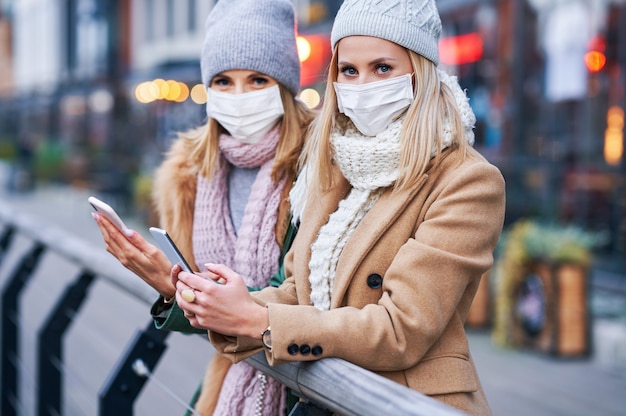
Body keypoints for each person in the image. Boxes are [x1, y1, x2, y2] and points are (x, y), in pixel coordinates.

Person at [170, 0, 506, 415]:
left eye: (382, 68)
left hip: (404, 403)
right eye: (349, 70)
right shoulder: (336, 162)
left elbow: (401, 328)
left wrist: (258, 321)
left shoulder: (467, 181)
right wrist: (224, 305)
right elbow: (298, 290)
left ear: (420, 72)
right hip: (324, 398)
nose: (362, 85)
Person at [92, 0, 315, 415]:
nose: (239, 95)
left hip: (310, 392)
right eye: (223, 81)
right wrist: (172, 287)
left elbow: (308, 305)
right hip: (229, 384)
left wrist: (180, 290)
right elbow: (218, 328)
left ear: (284, 85)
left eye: (257, 79)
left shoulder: (320, 166)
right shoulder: (190, 175)